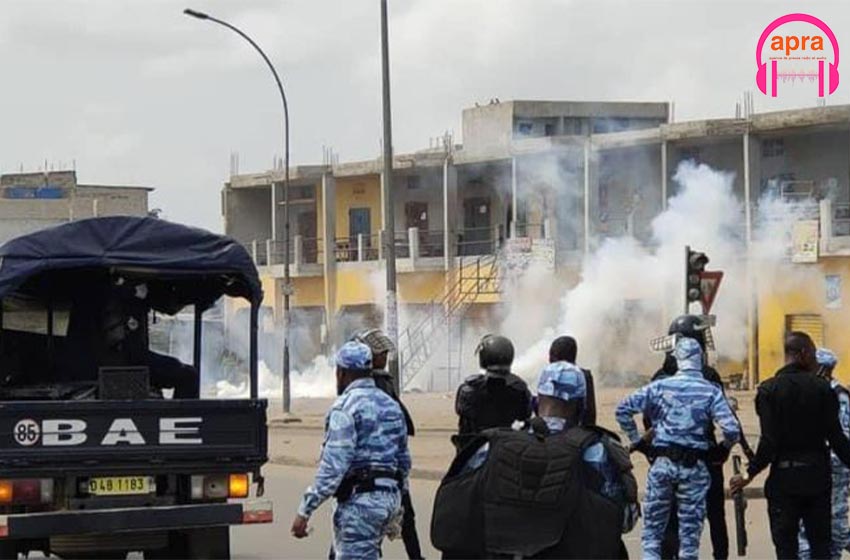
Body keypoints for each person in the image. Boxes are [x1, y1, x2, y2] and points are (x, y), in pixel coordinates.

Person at [432, 361, 638, 559]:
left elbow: (457, 510)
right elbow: (626, 520)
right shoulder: (597, 452)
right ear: (581, 407)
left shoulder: (492, 445)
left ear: (535, 401)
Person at [617, 336, 741, 560]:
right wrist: (722, 449)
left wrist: (639, 441)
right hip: (694, 469)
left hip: (662, 466)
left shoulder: (658, 387)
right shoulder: (710, 391)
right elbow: (732, 429)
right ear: (700, 359)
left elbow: (623, 410)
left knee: (653, 536)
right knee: (689, 540)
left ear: (677, 359)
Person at [640, 314, 752, 560]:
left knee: (669, 519)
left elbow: (647, 421)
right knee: (714, 515)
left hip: (667, 459)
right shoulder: (707, 376)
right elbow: (727, 420)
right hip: (704, 458)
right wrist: (731, 449)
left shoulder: (659, 378)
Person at [732, 332, 850, 559]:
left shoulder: (768, 390)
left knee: (786, 549)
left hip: (783, 482)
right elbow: (838, 439)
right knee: (820, 548)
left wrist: (749, 473)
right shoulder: (824, 389)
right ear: (804, 354)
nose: (816, 362)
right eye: (814, 355)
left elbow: (769, 443)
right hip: (817, 480)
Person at [291, 341, 411, 560]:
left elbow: (334, 467)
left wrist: (305, 510)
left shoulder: (345, 407)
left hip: (361, 505)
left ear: (341, 373)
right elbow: (403, 461)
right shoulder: (391, 405)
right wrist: (398, 500)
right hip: (389, 501)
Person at [351, 328, 423, 560]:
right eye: (379, 352)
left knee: (399, 517)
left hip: (380, 462)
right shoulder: (376, 382)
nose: (384, 357)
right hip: (379, 463)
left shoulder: (370, 381)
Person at [798, 348, 850, 559]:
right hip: (813, 464)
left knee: (834, 518)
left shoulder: (838, 395)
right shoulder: (813, 390)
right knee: (807, 519)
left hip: (834, 465)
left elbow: (845, 435)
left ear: (821, 368)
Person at [452, 334, 531, 452]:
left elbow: (464, 426)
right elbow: (525, 416)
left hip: (476, 451)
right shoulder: (520, 389)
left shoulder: (469, 389)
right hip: (510, 451)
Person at [548, 335, 597, 425]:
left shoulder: (551, 375)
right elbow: (590, 412)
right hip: (578, 432)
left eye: (551, 354)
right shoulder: (584, 375)